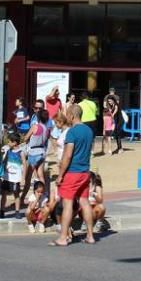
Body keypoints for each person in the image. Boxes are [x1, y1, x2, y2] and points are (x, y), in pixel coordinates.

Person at [50, 104, 96, 246]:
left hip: (72, 172)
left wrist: (60, 175)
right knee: (84, 202)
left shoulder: (72, 132)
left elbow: (67, 155)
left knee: (67, 203)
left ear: (72, 115)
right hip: (85, 171)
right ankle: (90, 235)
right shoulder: (89, 131)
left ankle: (63, 237)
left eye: (67, 114)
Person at [20, 108, 50, 201]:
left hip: (33, 153)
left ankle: (22, 198)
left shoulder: (35, 127)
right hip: (42, 152)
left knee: (28, 178)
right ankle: (43, 196)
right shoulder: (47, 129)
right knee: (41, 175)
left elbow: (25, 138)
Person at [0, 133, 24, 218]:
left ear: (14, 143)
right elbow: (4, 159)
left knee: (16, 194)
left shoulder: (20, 152)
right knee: (3, 194)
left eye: (9, 142)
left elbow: (24, 164)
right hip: (6, 176)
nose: (8, 143)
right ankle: (2, 210)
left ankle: (17, 211)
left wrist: (23, 177)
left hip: (15, 178)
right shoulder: (7, 150)